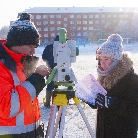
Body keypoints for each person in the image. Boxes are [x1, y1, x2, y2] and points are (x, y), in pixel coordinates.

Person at [0, 13, 51, 138]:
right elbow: (8, 107)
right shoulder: (2, 66)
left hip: (31, 131)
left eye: (35, 47)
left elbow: (26, 99)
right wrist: (36, 79)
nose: (33, 51)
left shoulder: (22, 63)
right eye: (30, 46)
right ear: (16, 43)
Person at [86, 34, 138, 138]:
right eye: (100, 59)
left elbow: (135, 110)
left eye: (106, 59)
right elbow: (100, 104)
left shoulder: (132, 79)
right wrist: (90, 99)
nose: (102, 63)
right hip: (103, 132)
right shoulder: (102, 77)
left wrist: (114, 103)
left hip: (123, 133)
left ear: (116, 59)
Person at [42, 35, 58, 107]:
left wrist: (48, 62)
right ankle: (55, 103)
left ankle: (47, 102)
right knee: (57, 86)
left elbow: (43, 57)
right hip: (59, 69)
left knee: (49, 85)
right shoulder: (62, 48)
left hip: (49, 68)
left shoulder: (48, 47)